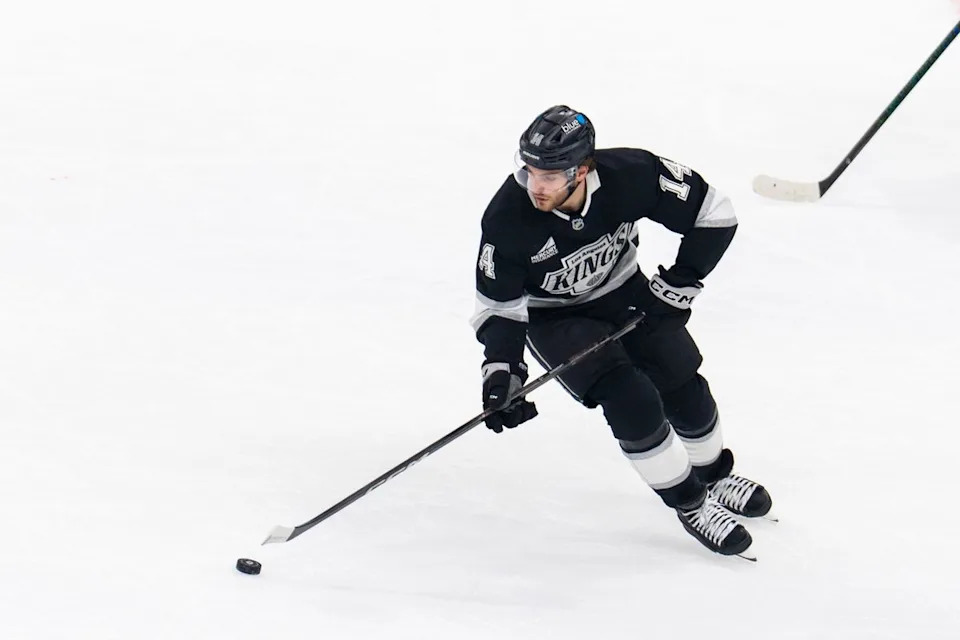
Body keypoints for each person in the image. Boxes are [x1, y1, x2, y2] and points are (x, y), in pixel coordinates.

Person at [471, 105, 771, 560]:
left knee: (683, 381)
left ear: (583, 169)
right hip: (556, 318)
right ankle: (691, 505)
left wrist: (678, 284)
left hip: (626, 290)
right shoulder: (507, 220)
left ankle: (713, 475)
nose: (537, 185)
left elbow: (715, 212)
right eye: (530, 170)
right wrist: (502, 372)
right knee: (630, 397)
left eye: (551, 175)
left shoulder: (632, 173)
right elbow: (499, 305)